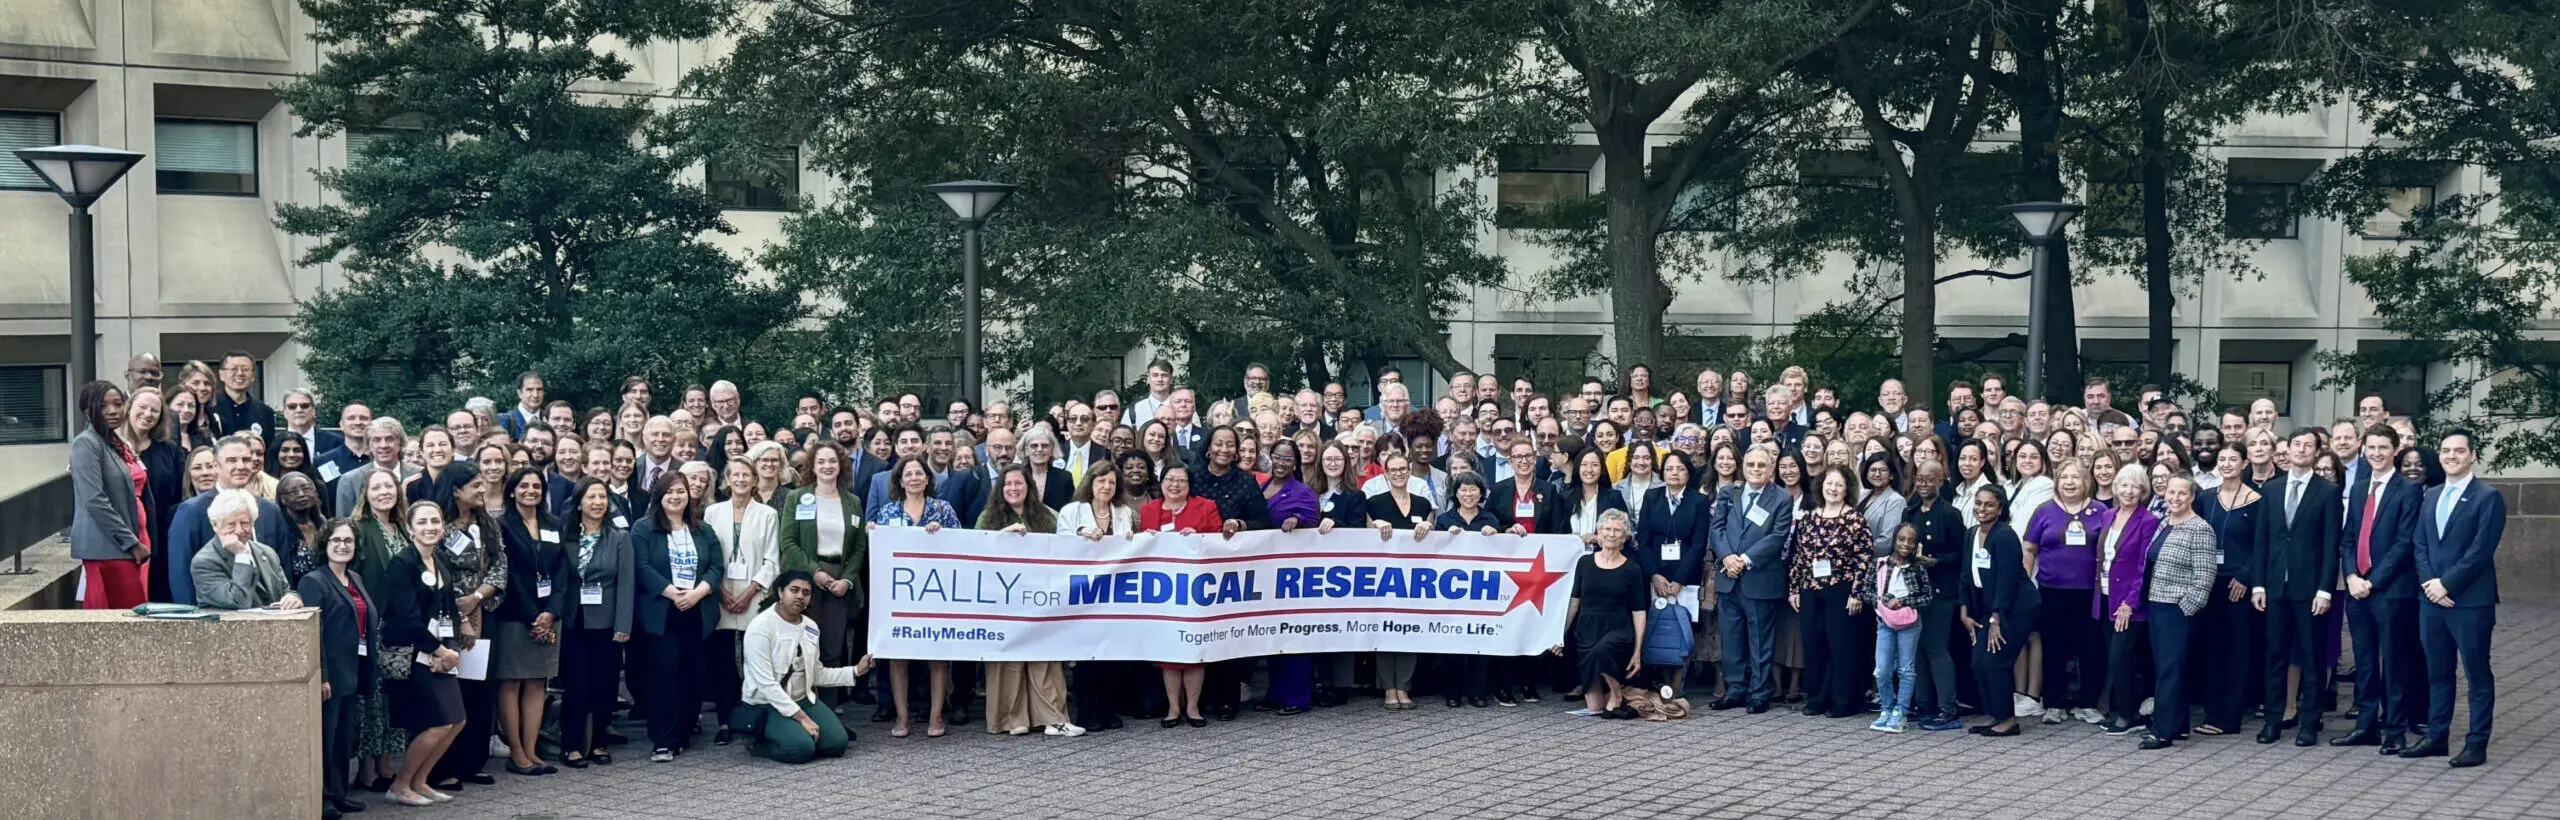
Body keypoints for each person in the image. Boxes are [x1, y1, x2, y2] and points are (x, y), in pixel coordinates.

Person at [2408, 430, 2500, 767]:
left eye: (2459, 451)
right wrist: (2430, 584)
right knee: (2438, 672)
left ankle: (2476, 743)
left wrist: (2447, 585)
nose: (2451, 456)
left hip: (2470, 602)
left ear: (2472, 455)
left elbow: (2481, 550)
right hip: (2431, 600)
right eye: (2446, 451)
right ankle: (2436, 737)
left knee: (2477, 674)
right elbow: (2419, 543)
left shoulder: (2487, 497)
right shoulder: (2431, 495)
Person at [977, 464, 1084, 737]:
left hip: (1040, 597)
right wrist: (1002, 538)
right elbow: (977, 553)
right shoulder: (988, 517)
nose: (1013, 488)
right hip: (1003, 599)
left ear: (1029, 487)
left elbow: (1066, 547)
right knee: (1007, 658)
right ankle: (1011, 719)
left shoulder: (1046, 515)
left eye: (1019, 483)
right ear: (1000, 488)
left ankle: (1053, 718)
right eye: (1008, 484)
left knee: (1044, 656)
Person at [2336, 425, 2424, 755]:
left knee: (2395, 662)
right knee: (2365, 660)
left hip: (2390, 590)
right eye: (2371, 447)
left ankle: (2395, 731)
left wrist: (2373, 581)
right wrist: (2351, 575)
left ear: (2395, 450)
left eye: (2383, 447)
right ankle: (2366, 726)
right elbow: (2348, 537)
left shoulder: (2409, 490)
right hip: (2357, 588)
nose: (2376, 453)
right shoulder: (2360, 488)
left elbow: (2404, 542)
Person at [2254, 428, 2340, 747]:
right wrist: (2258, 584)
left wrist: (2325, 589)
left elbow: (2331, 545)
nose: (2301, 449)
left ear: (2317, 452)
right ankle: (2273, 721)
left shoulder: (2327, 492)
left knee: (2312, 656)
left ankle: (2309, 723)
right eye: (2296, 444)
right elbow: (2262, 540)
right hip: (2275, 586)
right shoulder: (2272, 489)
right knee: (2275, 655)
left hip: (2310, 589)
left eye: (2308, 445)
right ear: (2287, 450)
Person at [631, 470, 725, 762]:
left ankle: (683, 733)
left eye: (681, 491)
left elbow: (716, 566)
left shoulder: (702, 529)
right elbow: (642, 567)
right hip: (663, 612)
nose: (675, 497)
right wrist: (672, 593)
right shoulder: (644, 529)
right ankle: (663, 739)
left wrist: (698, 593)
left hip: (697, 610)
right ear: (659, 496)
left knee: (693, 675)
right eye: (669, 492)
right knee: (665, 676)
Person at [379, 500, 465, 807]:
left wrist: (451, 650)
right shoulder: (401, 564)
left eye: (435, 521)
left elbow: (450, 612)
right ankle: (400, 785)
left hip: (439, 655)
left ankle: (420, 781)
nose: (430, 527)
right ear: (411, 528)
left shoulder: (440, 562)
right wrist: (440, 651)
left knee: (457, 720)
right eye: (423, 522)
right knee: (439, 722)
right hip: (414, 654)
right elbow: (407, 619)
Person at [778, 441, 869, 712]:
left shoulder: (852, 502)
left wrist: (847, 580)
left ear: (840, 465)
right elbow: (788, 542)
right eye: (821, 461)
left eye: (832, 461)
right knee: (803, 645)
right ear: (813, 466)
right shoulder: (797, 498)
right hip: (805, 578)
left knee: (832, 648)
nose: (827, 466)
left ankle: (828, 709)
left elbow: (858, 547)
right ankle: (798, 705)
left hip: (839, 579)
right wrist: (815, 572)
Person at [742, 571, 869, 763]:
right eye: (794, 590)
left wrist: (855, 671)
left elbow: (816, 674)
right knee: (800, 749)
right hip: (768, 704)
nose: (800, 596)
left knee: (837, 744)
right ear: (780, 592)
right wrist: (802, 718)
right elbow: (766, 684)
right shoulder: (760, 627)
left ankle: (796, 737)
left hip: (803, 699)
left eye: (806, 593)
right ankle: (758, 742)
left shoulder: (810, 626)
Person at [491, 468, 569, 776]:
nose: (531, 491)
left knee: (538, 681)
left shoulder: (554, 523)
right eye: (524, 485)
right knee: (511, 682)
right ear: (512, 490)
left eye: (537, 486)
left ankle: (532, 749)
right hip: (515, 616)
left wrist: (551, 613)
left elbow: (562, 569)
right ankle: (516, 752)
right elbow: (507, 573)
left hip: (548, 615)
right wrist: (531, 616)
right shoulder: (501, 526)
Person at [300, 519, 379, 818]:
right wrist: (321, 675)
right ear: (325, 544)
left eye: (348, 541)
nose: (342, 546)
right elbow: (313, 632)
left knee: (343, 738)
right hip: (330, 673)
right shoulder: (314, 581)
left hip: (353, 669)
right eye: (336, 540)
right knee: (326, 738)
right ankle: (323, 798)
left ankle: (340, 793)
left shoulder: (354, 577)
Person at [556, 478, 634, 768]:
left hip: (607, 623)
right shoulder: (565, 536)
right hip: (573, 621)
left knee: (605, 684)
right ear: (579, 503)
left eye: (603, 497)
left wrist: (623, 625)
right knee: (576, 684)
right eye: (591, 497)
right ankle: (571, 745)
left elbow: (626, 583)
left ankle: (599, 742)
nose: (598, 502)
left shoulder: (619, 538)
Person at [1710, 446, 1792, 713]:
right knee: (1731, 637)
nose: (1756, 469)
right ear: (1743, 466)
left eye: (1761, 465)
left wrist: (1743, 560)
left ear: (1771, 468)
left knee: (1760, 640)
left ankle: (1759, 692)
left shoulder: (1781, 498)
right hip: (1728, 577)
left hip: (1759, 578)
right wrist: (1727, 557)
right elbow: (1717, 529)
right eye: (1751, 464)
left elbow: (1777, 537)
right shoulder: (1729, 492)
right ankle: (1735, 690)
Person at [705, 458, 781, 746]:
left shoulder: (767, 514)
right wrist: (720, 590)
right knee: (723, 661)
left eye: (746, 475)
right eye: (735, 475)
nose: (740, 480)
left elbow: (772, 559)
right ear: (727, 480)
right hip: (720, 594)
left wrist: (750, 591)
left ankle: (754, 719)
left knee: (754, 660)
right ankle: (725, 722)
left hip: (754, 595)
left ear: (754, 480)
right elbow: (707, 556)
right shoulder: (713, 512)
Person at [2021, 457, 2103, 724]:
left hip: (2089, 592)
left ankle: (2088, 703)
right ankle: (2054, 703)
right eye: (2065, 477)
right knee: (2054, 647)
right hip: (2052, 590)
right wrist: (2025, 584)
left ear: (2086, 481)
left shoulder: (2100, 510)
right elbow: (2028, 548)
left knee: (2090, 648)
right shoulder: (2044, 510)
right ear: (2057, 482)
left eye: (2075, 477)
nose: (2070, 482)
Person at [2139, 476, 2218, 750]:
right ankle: (2179, 725)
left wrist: (2186, 609)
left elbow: (2205, 575)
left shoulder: (2200, 528)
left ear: (2192, 496)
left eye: (2182, 493)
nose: (2175, 498)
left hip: (2178, 610)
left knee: (2169, 670)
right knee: (2168, 668)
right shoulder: (2164, 523)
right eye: (2171, 492)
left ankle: (2162, 731)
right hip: (2157, 606)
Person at [1143, 463, 1225, 725]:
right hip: (1163, 593)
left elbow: (1219, 542)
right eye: (1170, 479)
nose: (1175, 485)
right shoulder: (1149, 510)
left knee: (1194, 651)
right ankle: (1173, 708)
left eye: (1181, 480)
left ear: (1190, 485)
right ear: (1161, 482)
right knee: (1169, 653)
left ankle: (1193, 708)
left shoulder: (1206, 506)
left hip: (1196, 590)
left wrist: (1199, 537)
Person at [1788, 465, 1872, 720]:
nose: (1833, 489)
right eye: (1829, 483)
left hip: (1842, 589)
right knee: (1814, 645)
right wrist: (1794, 588)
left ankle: (1842, 701)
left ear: (1847, 489)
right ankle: (1817, 699)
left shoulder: (1855, 519)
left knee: (1841, 646)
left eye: (1839, 484)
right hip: (1810, 589)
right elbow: (1799, 556)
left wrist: (1856, 593)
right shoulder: (1809, 518)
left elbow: (1864, 558)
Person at [1963, 484, 2040, 737]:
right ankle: (1994, 713)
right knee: (1978, 662)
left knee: (1996, 662)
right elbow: (1965, 574)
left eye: (1989, 504)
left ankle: (2008, 721)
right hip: (1991, 607)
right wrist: (1964, 610)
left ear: (2000, 508)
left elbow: (2007, 580)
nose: (1982, 509)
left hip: (2015, 608)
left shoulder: (2005, 536)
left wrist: (1996, 618)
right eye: (1978, 503)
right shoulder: (1971, 534)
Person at [71, 381, 153, 609]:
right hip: (107, 548)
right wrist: (131, 542)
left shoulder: (114, 442)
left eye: (118, 404)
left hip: (124, 544)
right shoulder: (86, 443)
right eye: (103, 406)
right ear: (88, 411)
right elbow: (94, 500)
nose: (113, 411)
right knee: (122, 615)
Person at [1559, 509, 1648, 718]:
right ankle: (1616, 694)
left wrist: (1638, 651)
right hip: (1587, 629)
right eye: (1607, 529)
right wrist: (1560, 635)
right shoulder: (1584, 562)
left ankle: (1616, 694)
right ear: (1598, 532)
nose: (1611, 534)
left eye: (1617, 530)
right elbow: (1574, 602)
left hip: (1618, 628)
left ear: (1625, 536)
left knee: (1601, 651)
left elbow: (1639, 611)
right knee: (1594, 707)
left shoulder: (1632, 569)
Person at [2094, 463, 2162, 735]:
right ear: (2115, 487)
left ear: (2143, 490)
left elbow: (2145, 566)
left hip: (2129, 604)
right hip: (2105, 598)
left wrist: (2129, 604)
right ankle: (2126, 709)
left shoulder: (2148, 521)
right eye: (2124, 485)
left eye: (2136, 486)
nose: (2129, 491)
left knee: (2121, 658)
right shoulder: (2108, 515)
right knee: (2114, 659)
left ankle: (2128, 715)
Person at [1860, 523, 1936, 733]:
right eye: (1902, 539)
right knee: (1882, 669)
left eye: (1911, 541)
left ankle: (1900, 711)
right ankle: (1886, 708)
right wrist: (1883, 600)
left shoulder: (1918, 569)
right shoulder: (1880, 564)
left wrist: (1903, 602)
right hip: (1884, 622)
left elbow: (1926, 597)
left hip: (1909, 624)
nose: (1906, 544)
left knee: (1906, 669)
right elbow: (1866, 591)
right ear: (1894, 540)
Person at [190, 487, 302, 609]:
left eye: (244, 523)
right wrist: (241, 555)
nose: (239, 530)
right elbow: (238, 601)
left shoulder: (266, 552)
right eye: (231, 524)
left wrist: (292, 598)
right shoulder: (204, 562)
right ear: (215, 525)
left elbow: (285, 590)